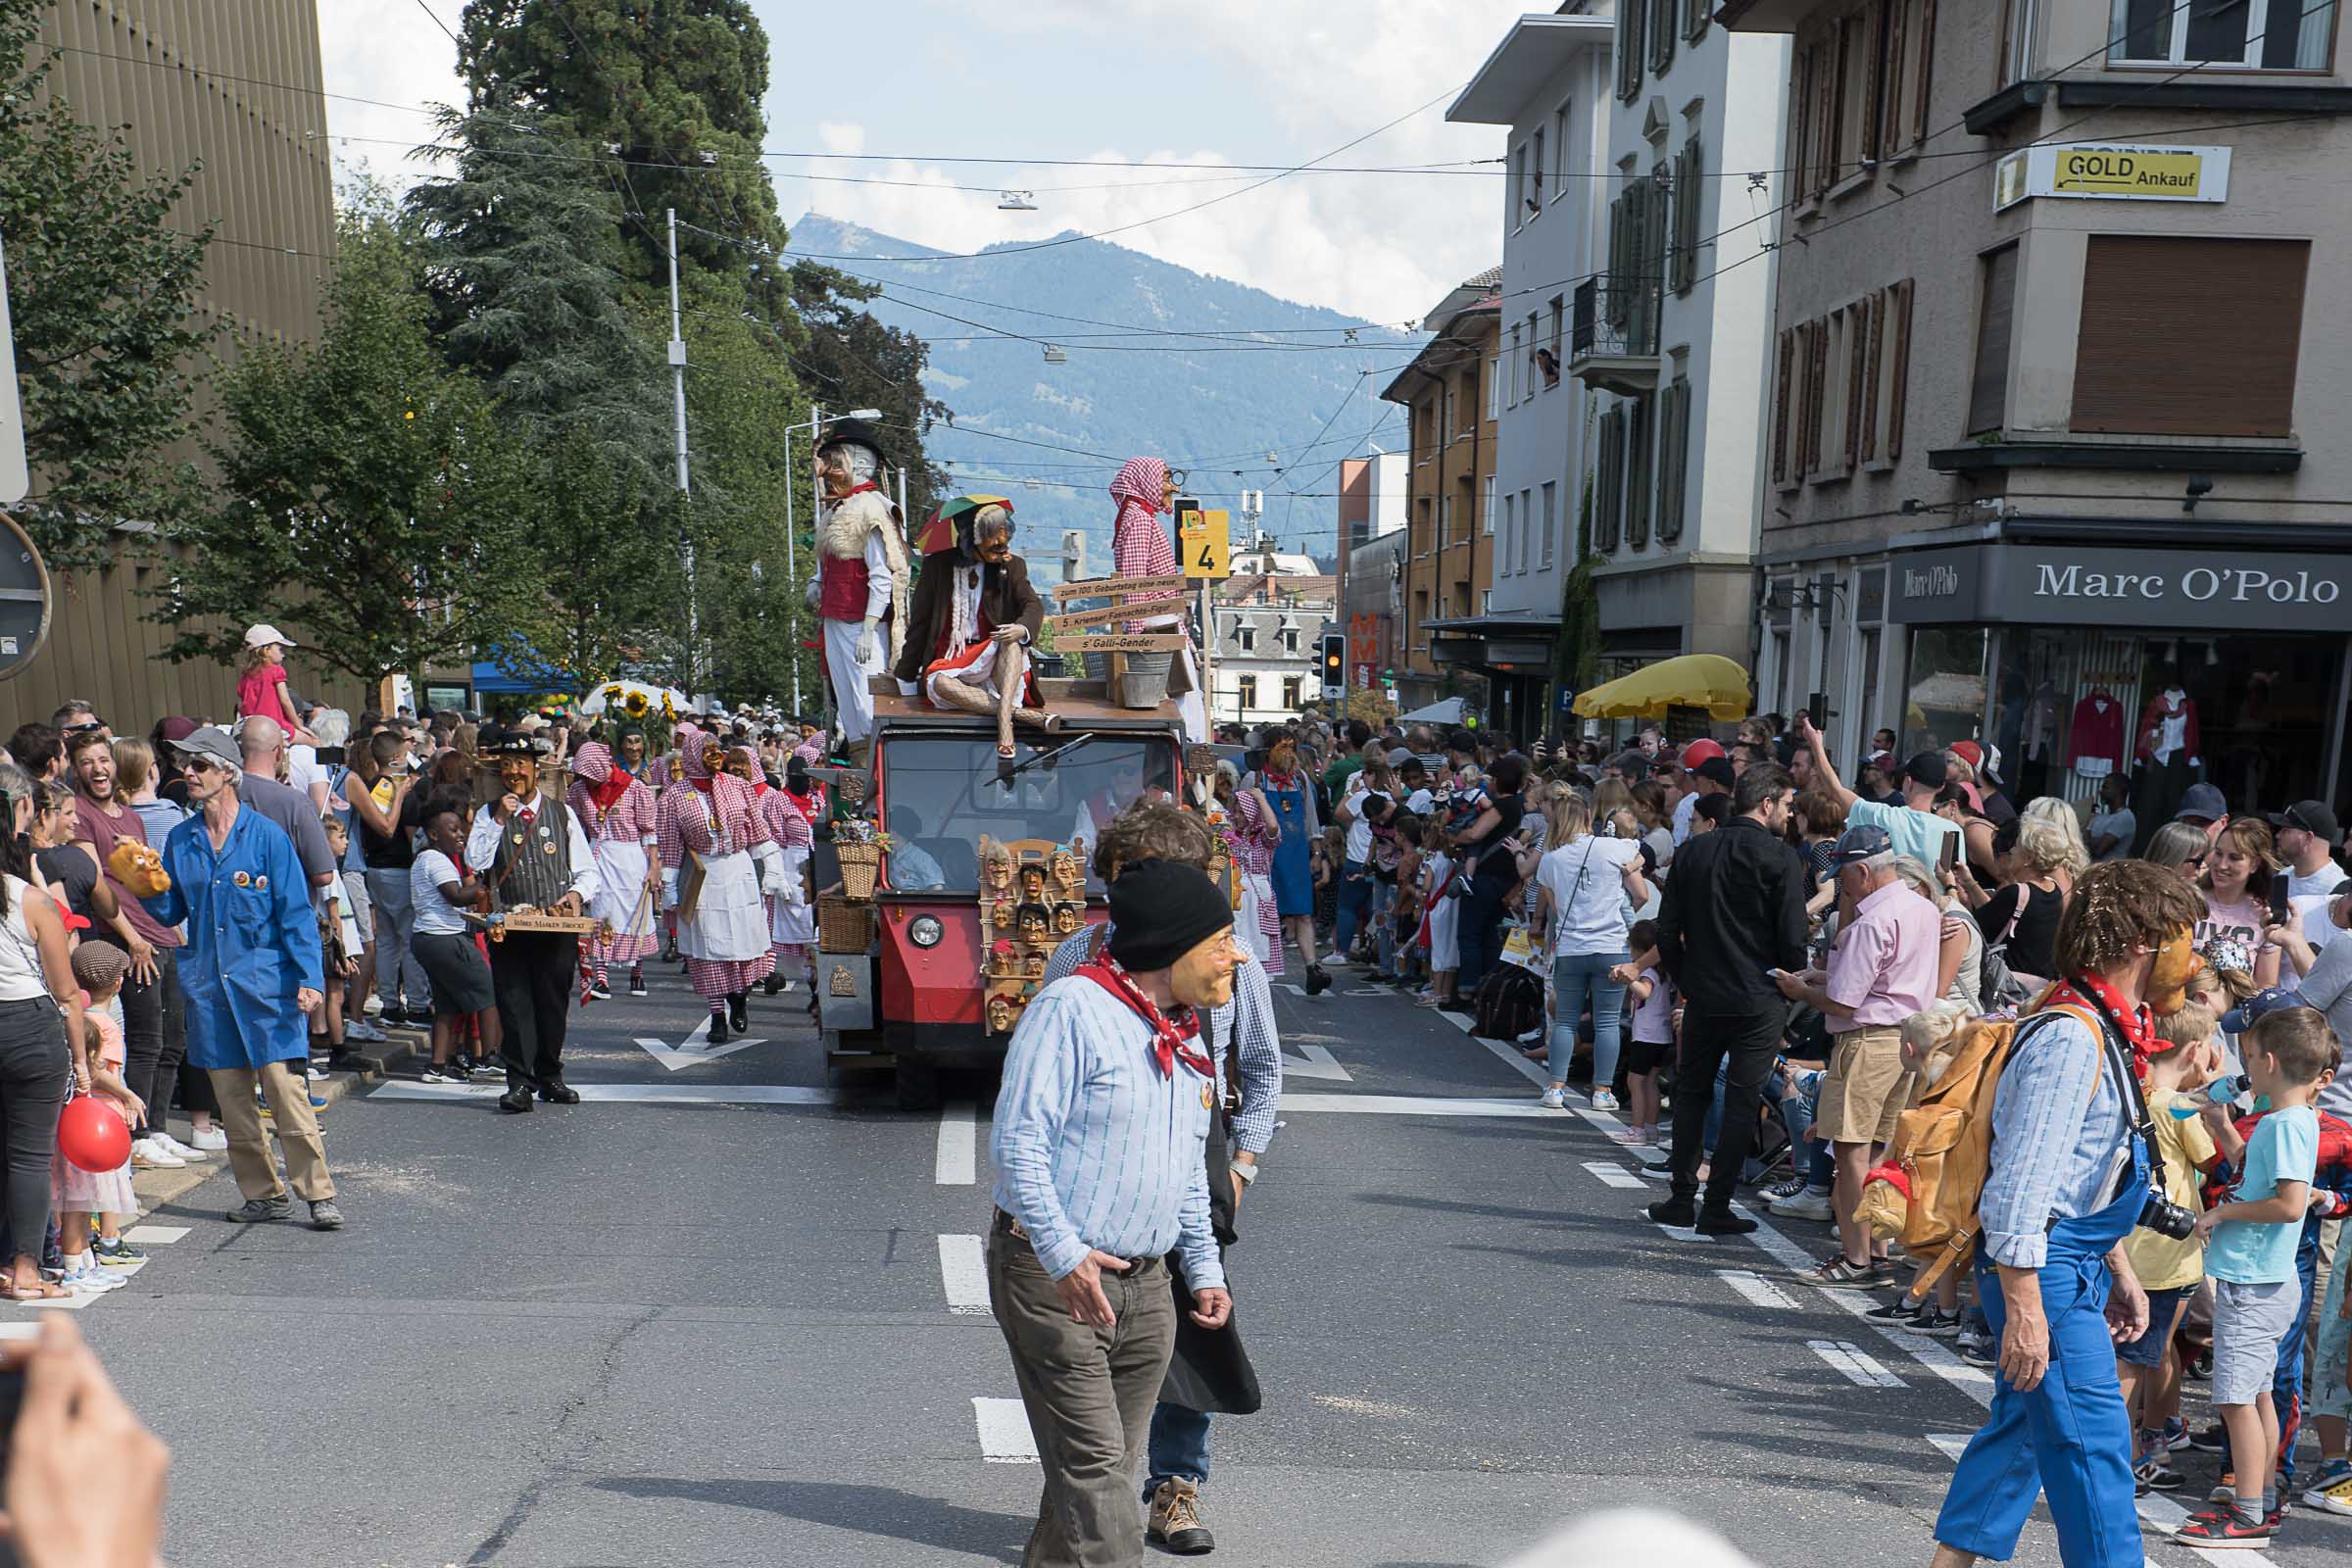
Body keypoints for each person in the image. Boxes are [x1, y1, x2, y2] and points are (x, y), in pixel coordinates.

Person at [1927, 859, 2207, 1568]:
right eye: (2186, 936)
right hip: (2043, 1269)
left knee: (2021, 1432)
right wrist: (2026, 1308)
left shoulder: (2100, 1026)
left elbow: (2083, 1173)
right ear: (2145, 938)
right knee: (2093, 1445)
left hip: (2068, 1260)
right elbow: (2023, 1186)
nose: (2194, 956)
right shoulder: (2070, 1036)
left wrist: (2117, 1268)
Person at [1037, 806, 1280, 1556]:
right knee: (1086, 1345)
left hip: (1194, 1171)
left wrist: (1242, 1164)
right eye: (1124, 878)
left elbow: (1263, 1070)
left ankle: (1174, 1486)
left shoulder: (1230, 964)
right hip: (1094, 1178)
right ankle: (1088, 1497)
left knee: (1192, 1340)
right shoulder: (1077, 956)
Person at [990, 857, 1234, 1568]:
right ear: (1174, 947)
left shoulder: (1184, 1027)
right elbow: (1017, 1143)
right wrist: (1065, 1254)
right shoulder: (1071, 1008)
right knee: (1099, 1479)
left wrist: (1204, 1266)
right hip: (1055, 1276)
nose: (1235, 955)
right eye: (1220, 941)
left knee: (1096, 1479)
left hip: (1148, 1285)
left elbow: (1188, 1165)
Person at [137, 726, 341, 1231]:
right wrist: (144, 885)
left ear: (227, 772)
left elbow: (295, 913)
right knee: (233, 1105)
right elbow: (169, 912)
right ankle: (263, 1193)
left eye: (199, 766)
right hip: (211, 991)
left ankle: (317, 1193)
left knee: (286, 1096)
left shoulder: (267, 836)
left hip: (267, 990)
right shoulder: (182, 839)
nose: (188, 774)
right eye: (184, 765)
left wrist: (309, 978)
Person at [2172, 1006, 2333, 1545]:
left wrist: (2221, 1213)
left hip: (2253, 1281)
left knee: (2236, 1400)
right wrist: (2220, 1123)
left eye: (2248, 1059)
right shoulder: (2290, 1120)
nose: (2244, 1070)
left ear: (2267, 1061)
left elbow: (2288, 1205)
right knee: (2258, 1395)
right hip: (2265, 1279)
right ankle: (2259, 1500)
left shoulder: (2285, 1124)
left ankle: (2245, 1515)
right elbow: (2258, 1176)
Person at [1773, 823, 1942, 1286]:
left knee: (1851, 1152)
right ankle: (1879, 1252)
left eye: (1843, 875)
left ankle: (1856, 1259)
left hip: (1867, 1041)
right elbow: (1883, 982)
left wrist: (1798, 989)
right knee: (1882, 1153)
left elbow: (1848, 1002)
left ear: (1864, 871)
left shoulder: (1871, 921)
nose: (1839, 885)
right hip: (1908, 1041)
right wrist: (1822, 977)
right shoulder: (1925, 909)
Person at [1648, 763, 1806, 1236]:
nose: (1790, 814)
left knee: (1690, 1093)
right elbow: (1793, 940)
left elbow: (1664, 929)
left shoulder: (1694, 851)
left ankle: (1680, 1197)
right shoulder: (1781, 859)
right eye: (1787, 805)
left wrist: (1685, 977)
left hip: (1704, 991)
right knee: (1741, 1099)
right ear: (1767, 803)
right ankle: (1716, 1206)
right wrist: (1785, 979)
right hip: (1759, 994)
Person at [2115, 986, 2225, 1494]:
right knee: (2141, 1359)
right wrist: (2216, 1096)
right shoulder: (2179, 1107)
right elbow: (2211, 1161)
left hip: (2128, 1246)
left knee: (2151, 1353)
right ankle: (2126, 1454)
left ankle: (2145, 1442)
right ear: (2194, 1051)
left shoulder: (2134, 1093)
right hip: (2169, 1254)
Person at [467, 737, 599, 1112]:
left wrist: (575, 895)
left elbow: (588, 870)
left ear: (536, 771)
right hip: (508, 924)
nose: (514, 772)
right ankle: (519, 1082)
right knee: (514, 1001)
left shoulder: (562, 814)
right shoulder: (487, 813)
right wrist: (498, 821)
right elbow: (476, 860)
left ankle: (551, 1076)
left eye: (521, 764)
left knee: (552, 1001)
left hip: (555, 926)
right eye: (507, 765)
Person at [656, 724, 786, 1044]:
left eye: (716, 749)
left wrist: (773, 868)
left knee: (743, 942)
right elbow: (671, 846)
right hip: (702, 874)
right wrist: (670, 887)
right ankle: (717, 1016)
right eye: (705, 750)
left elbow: (758, 831)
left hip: (738, 869)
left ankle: (739, 995)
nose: (713, 756)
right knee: (708, 948)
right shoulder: (674, 795)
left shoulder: (738, 787)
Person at [894, 502, 1054, 759]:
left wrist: (1021, 628)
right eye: (994, 546)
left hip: (995, 659)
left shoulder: (1011, 566)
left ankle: (1005, 725)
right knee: (941, 683)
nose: (1003, 550)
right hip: (952, 658)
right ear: (970, 540)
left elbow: (1032, 605)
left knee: (1011, 642)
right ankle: (1016, 714)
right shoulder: (938, 566)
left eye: (1005, 542)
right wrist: (905, 677)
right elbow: (920, 624)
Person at [1533, 792, 1649, 1112]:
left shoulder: (1551, 859)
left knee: (1566, 1020)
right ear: (1588, 818)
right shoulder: (1612, 847)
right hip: (1612, 945)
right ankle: (1602, 1091)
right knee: (1608, 1022)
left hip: (1571, 946)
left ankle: (1555, 1088)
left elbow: (1555, 906)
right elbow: (1641, 864)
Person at [810, 419, 910, 761]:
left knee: (866, 696)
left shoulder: (871, 509)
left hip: (859, 623)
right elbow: (826, 567)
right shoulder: (835, 512)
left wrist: (869, 627)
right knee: (846, 698)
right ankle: (858, 762)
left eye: (835, 463)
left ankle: (876, 766)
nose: (826, 473)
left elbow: (883, 575)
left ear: (858, 464)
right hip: (836, 619)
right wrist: (815, 586)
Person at [52, 945, 144, 1294]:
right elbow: (97, 1069)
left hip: (82, 1124)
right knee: (79, 1201)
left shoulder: (81, 1018)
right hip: (96, 1124)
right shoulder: (103, 1025)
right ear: (119, 982)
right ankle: (75, 1270)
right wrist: (127, 1095)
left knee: (78, 1202)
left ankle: (85, 1263)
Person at [409, 800, 503, 1086]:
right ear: (435, 835)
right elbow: (456, 896)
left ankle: (437, 1066)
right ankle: (488, 1058)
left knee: (447, 1004)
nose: (461, 835)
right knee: (488, 991)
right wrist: (483, 886)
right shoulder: (435, 859)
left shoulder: (428, 859)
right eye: (453, 830)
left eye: (462, 830)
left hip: (428, 939)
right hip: (445, 938)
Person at [1797, 714, 1961, 872]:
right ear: (1941, 787)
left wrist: (1816, 744)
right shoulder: (1953, 831)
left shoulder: (1884, 816)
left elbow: (1834, 789)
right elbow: (1956, 880)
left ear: (1908, 782)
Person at [348, 730, 432, 1024]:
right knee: (409, 939)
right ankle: (419, 1006)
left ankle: (389, 1004)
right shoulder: (403, 794)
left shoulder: (365, 786)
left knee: (385, 941)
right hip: (400, 870)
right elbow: (409, 837)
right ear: (397, 758)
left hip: (372, 869)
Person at [566, 741, 661, 1000]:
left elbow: (649, 830)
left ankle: (637, 973)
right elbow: (572, 824)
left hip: (629, 856)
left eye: (589, 774)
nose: (586, 780)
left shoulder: (635, 789)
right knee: (601, 912)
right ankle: (602, 977)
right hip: (596, 855)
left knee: (635, 911)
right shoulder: (578, 791)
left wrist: (654, 866)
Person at [1449, 752, 1530, 1001]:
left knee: (1471, 933)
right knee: (1492, 936)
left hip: (1487, 877)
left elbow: (1475, 834)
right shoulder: (1524, 805)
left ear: (1497, 781)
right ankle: (1490, 989)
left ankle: (1467, 988)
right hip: (1510, 878)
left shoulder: (1503, 806)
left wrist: (1453, 836)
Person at [1252, 726, 1327, 994]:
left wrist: (1317, 853)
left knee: (1304, 913)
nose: (1288, 753)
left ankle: (1312, 968)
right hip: (1265, 857)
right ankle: (1259, 970)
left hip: (1296, 856)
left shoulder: (1302, 780)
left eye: (1292, 747)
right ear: (1267, 750)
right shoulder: (1255, 779)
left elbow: (1311, 818)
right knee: (1265, 915)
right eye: (1282, 747)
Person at [2197, 817, 2284, 989]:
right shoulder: (2189, 900)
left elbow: (2265, 985)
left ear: (2254, 864)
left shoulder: (2265, 914)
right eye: (2219, 853)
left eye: (2234, 858)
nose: (2222, 865)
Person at [2271, 800, 2347, 901]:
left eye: (2286, 831)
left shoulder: (2340, 889)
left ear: (2308, 838)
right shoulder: (2283, 876)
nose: (2277, 835)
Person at [2087, 774, 2135, 863]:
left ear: (2118, 790)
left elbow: (2098, 850)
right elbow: (2084, 839)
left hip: (2110, 874)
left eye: (2105, 787)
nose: (2100, 791)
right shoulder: (2099, 817)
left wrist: (2089, 840)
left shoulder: (2125, 817)